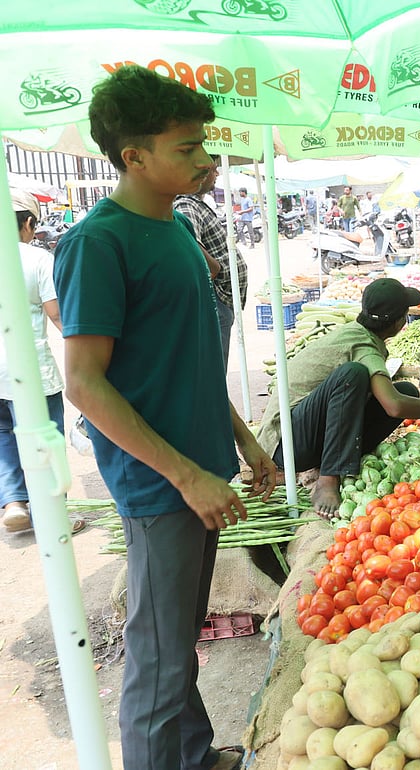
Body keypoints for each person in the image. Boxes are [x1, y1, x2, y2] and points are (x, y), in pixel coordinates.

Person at [52, 64, 275, 770]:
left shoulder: (175, 229)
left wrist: (245, 443)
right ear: (134, 157)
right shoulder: (99, 243)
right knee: (156, 662)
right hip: (160, 486)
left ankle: (196, 755)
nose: (205, 159)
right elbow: (84, 386)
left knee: (177, 640)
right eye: (186, 148)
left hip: (201, 469)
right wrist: (185, 475)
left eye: (202, 143)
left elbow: (193, 361)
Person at [256, 278, 420, 517]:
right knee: (353, 375)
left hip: (304, 435)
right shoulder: (364, 347)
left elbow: (396, 400)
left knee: (407, 391)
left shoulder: (357, 333)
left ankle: (339, 461)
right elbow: (394, 407)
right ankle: (328, 479)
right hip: (285, 444)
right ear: (399, 323)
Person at [1, 191, 78, 535]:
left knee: (3, 435)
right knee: (46, 437)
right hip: (31, 369)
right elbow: (57, 313)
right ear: (29, 223)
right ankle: (52, 514)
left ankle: (14, 502)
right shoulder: (37, 259)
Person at [174, 158, 250, 371]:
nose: (217, 175)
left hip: (220, 299)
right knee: (214, 375)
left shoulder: (195, 204)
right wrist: (215, 268)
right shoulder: (185, 205)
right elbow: (191, 248)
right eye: (213, 170)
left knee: (215, 371)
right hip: (214, 299)